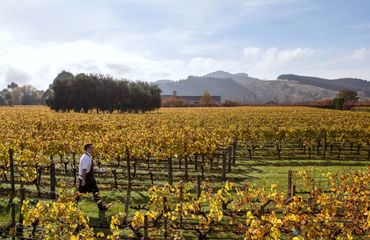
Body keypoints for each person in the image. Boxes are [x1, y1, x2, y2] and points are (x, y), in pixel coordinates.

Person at [76, 143, 108, 210]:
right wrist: (84, 180)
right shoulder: (85, 158)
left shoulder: (87, 156)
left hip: (87, 178)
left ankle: (73, 205)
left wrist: (96, 170)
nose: (92, 149)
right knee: (95, 192)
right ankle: (101, 207)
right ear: (87, 149)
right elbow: (84, 169)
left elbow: (87, 168)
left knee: (81, 193)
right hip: (87, 179)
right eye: (91, 148)